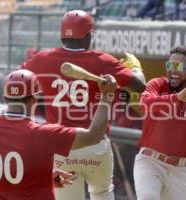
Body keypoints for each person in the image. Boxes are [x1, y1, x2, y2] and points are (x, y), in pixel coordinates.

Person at [21, 10, 146, 200]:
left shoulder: (42, 59)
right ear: (87, 36)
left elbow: (16, 80)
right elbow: (140, 86)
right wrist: (134, 67)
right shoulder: (103, 61)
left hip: (59, 146)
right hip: (95, 147)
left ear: (63, 35)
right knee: (102, 192)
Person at [0, 69, 117, 200]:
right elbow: (93, 136)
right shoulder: (43, 134)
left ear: (5, 98)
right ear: (34, 99)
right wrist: (106, 96)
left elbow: (5, 169)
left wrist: (44, 176)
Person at [133, 46, 186, 200]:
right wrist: (176, 98)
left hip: (180, 169)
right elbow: (145, 105)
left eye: (179, 66)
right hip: (150, 161)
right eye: (170, 65)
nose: (173, 70)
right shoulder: (158, 84)